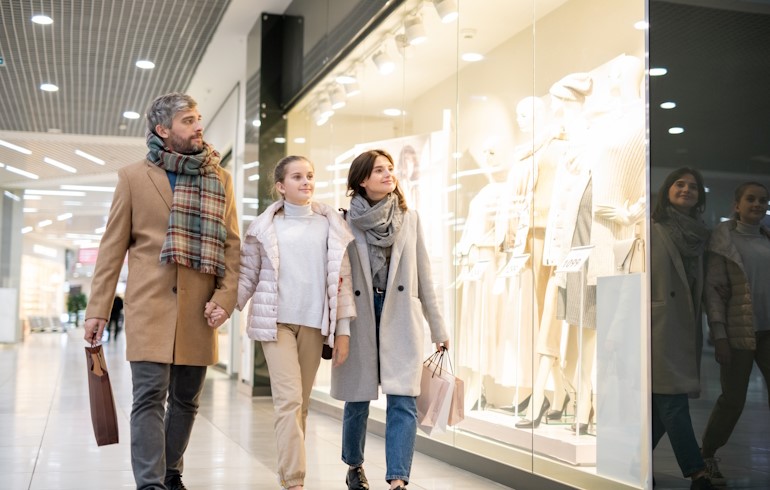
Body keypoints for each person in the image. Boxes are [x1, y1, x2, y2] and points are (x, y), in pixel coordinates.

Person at [83, 92, 241, 490]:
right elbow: (112, 248)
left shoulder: (219, 178)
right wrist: (97, 309)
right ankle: (150, 483)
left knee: (186, 400)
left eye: (199, 117)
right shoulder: (133, 178)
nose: (198, 125)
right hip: (149, 307)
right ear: (163, 130)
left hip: (199, 310)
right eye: (188, 120)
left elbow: (232, 245)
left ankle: (172, 474)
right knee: (149, 397)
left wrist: (225, 298)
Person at [331, 149, 450, 490]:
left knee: (403, 400)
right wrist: (338, 329)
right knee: (358, 399)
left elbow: (425, 276)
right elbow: (339, 280)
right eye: (379, 170)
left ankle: (398, 479)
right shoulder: (344, 220)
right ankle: (354, 465)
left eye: (390, 169)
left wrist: (438, 327)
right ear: (362, 180)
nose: (388, 175)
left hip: (400, 316)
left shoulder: (409, 218)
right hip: (361, 316)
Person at [236, 155, 356, 490]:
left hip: (315, 325)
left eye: (310, 176)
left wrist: (343, 332)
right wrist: (224, 305)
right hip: (276, 324)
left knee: (300, 404)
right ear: (280, 187)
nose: (306, 182)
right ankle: (294, 481)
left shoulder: (331, 225)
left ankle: (289, 471)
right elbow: (247, 275)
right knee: (288, 401)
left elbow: (341, 281)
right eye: (297, 177)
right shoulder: (264, 227)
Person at [700, 182, 770, 485]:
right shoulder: (723, 242)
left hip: (769, 332)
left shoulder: (768, 239)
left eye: (762, 200)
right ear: (736, 205)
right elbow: (713, 291)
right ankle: (707, 456)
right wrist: (720, 335)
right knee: (733, 400)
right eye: (750, 199)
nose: (757, 204)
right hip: (739, 333)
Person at [650, 167, 715, 490]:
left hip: (686, 326)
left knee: (662, 404)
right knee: (672, 399)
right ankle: (697, 471)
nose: (686, 189)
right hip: (657, 327)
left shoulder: (702, 235)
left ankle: (631, 462)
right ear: (667, 189)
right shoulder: (652, 228)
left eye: (693, 187)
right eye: (680, 184)